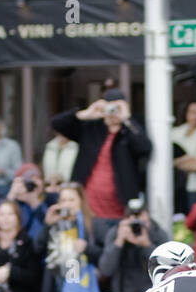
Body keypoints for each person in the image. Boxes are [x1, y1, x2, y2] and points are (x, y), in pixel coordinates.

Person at [48, 90, 152, 221]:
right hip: (88, 208)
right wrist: (86, 113)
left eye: (117, 108)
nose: (112, 112)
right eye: (109, 108)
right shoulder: (92, 128)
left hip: (120, 208)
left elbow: (145, 148)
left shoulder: (130, 129)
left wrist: (126, 118)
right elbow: (56, 124)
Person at [171, 100, 196, 216]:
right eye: (192, 112)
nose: (195, 116)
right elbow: (165, 160)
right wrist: (187, 158)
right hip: (174, 185)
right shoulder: (175, 132)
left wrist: (175, 162)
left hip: (194, 187)